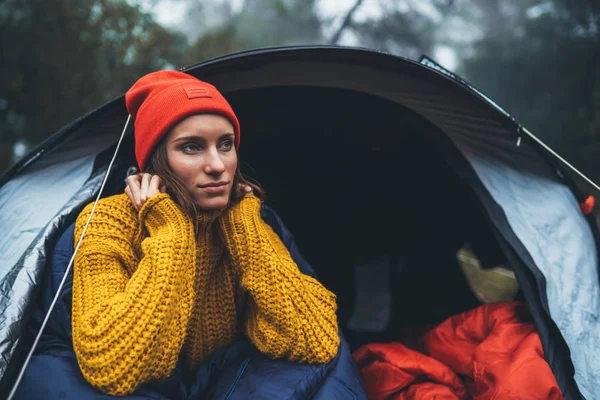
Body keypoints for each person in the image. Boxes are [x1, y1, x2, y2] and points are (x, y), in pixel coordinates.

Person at [15, 70, 365, 399]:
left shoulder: (245, 220)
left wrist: (246, 230)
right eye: (192, 147)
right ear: (155, 162)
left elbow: (315, 338)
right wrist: (170, 234)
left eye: (225, 144)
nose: (217, 165)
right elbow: (110, 362)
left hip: (213, 381)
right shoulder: (108, 222)